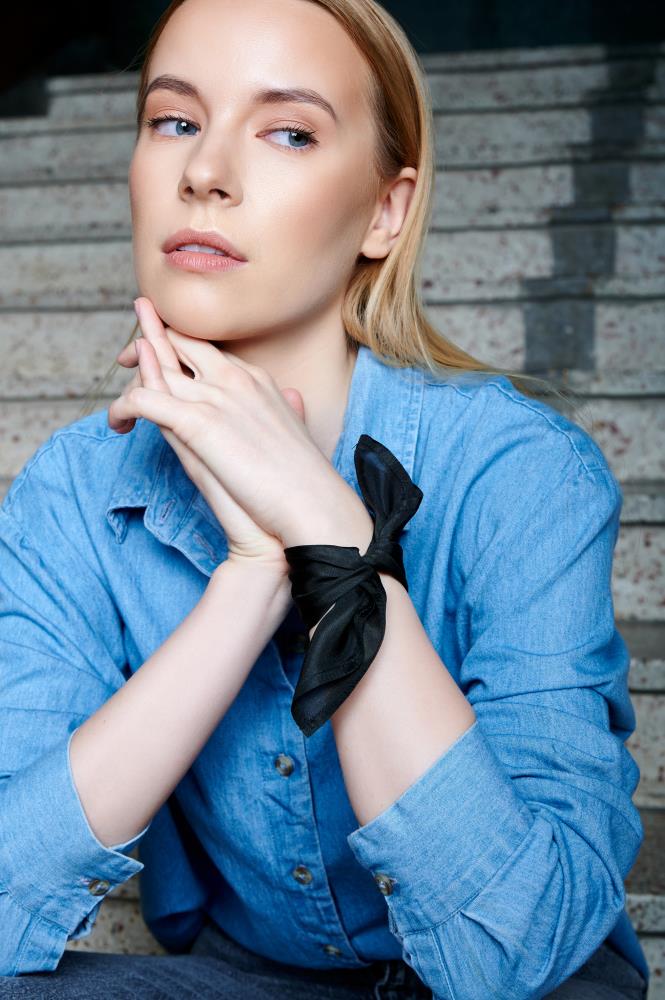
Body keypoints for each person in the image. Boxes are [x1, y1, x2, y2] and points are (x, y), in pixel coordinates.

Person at [0, 0, 651, 997]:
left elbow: (519, 947)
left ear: (384, 212)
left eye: (287, 131)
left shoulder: (517, 468)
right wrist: (252, 576)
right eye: (175, 119)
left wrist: (332, 537)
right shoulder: (75, 491)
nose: (203, 172)